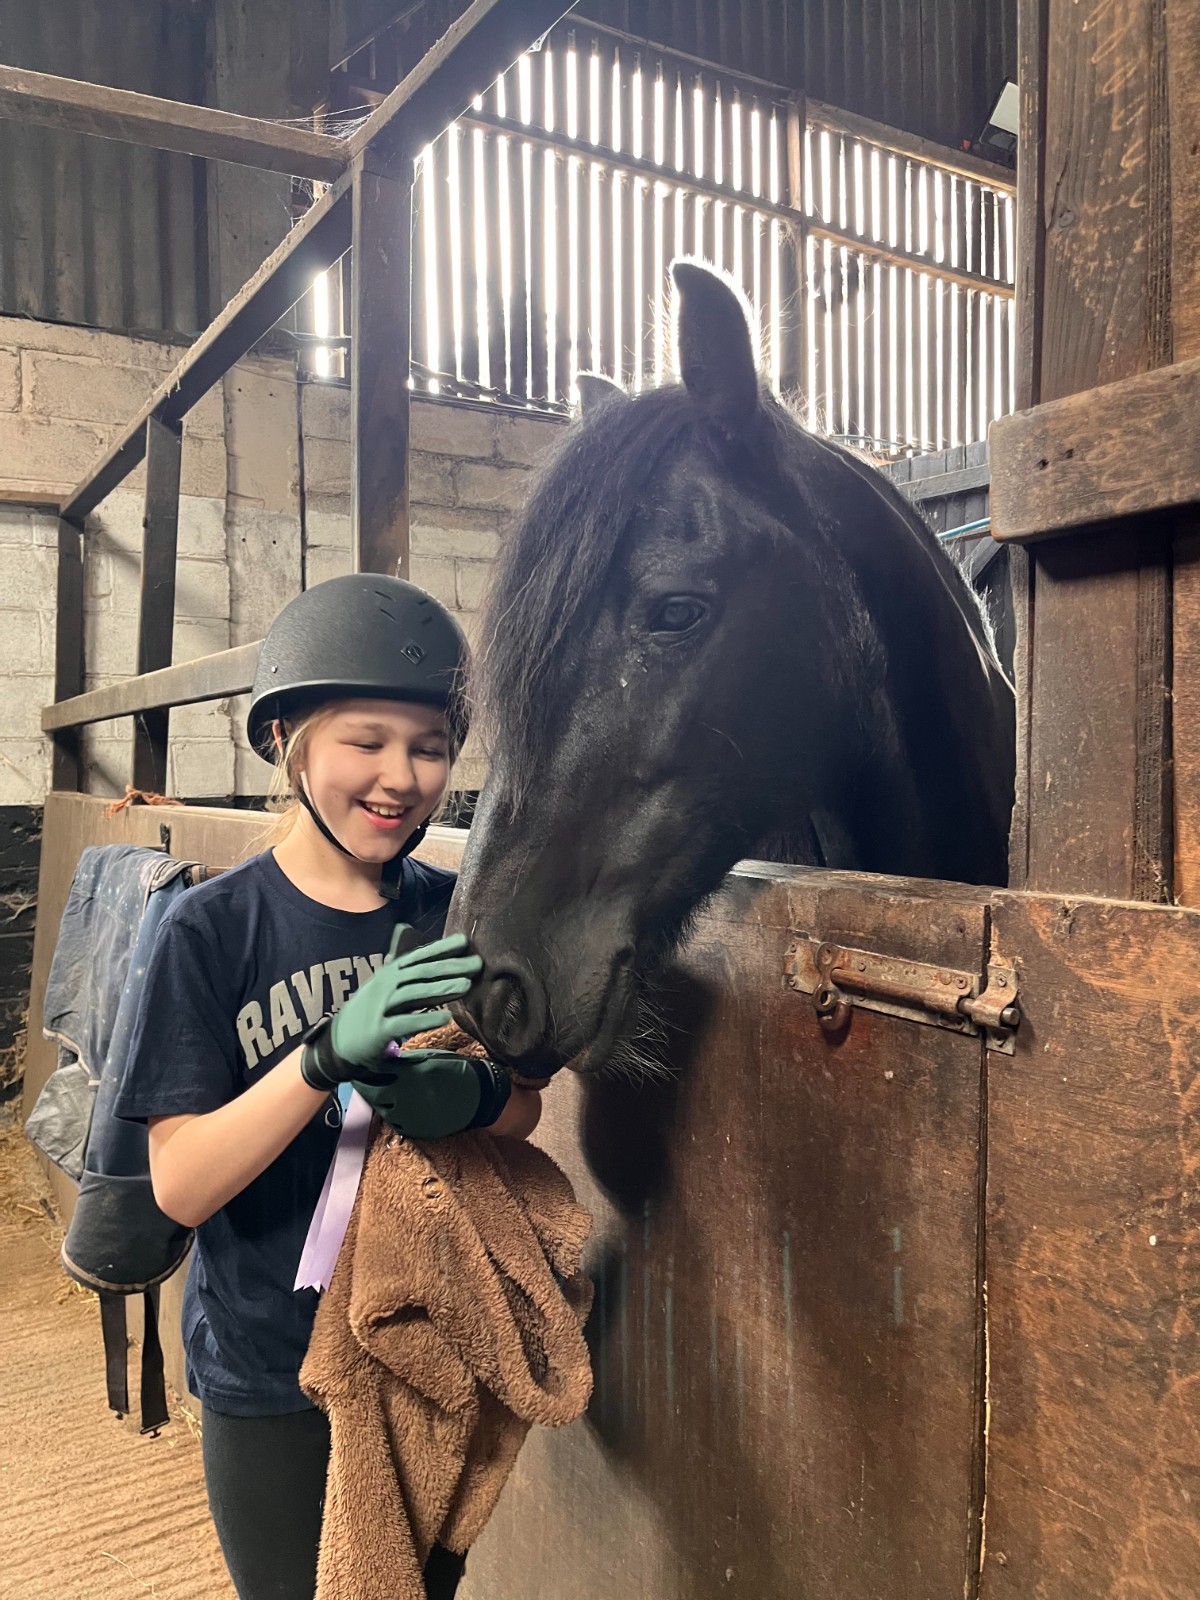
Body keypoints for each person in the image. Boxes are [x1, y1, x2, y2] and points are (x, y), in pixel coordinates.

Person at [112, 575, 541, 1600]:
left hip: (424, 1350)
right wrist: (319, 1060)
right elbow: (179, 1187)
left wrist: (473, 1101)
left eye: (430, 744)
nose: (402, 775)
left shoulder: (460, 909)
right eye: (367, 739)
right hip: (269, 1368)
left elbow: (522, 1105)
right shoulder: (210, 932)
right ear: (285, 741)